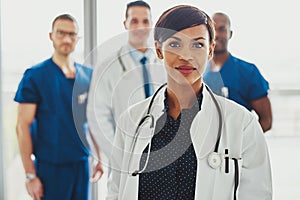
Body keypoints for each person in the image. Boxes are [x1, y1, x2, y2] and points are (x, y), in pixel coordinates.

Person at [107, 5, 272, 200]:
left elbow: (257, 194)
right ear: (159, 49)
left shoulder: (242, 124)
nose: (186, 56)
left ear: (210, 50)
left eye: (198, 45)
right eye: (175, 44)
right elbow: (115, 192)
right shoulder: (131, 120)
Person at [14, 14, 103, 200]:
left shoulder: (87, 75)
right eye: (61, 33)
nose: (66, 39)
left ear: (77, 38)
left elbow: (92, 121)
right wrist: (30, 175)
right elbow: (22, 126)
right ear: (51, 35)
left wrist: (99, 157)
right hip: (50, 168)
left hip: (81, 164)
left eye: (72, 34)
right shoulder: (35, 76)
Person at [87, 1, 165, 158]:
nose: (140, 26)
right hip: (125, 156)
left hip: (161, 154)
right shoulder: (107, 67)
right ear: (125, 24)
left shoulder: (165, 64)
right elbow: (98, 116)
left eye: (145, 21)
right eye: (134, 21)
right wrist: (119, 154)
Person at [203, 12, 272, 132]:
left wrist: (243, 142)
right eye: (213, 30)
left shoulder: (248, 72)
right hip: (203, 147)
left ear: (230, 34)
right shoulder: (197, 71)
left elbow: (266, 121)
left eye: (222, 29)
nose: (217, 35)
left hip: (237, 148)